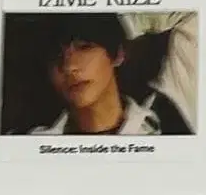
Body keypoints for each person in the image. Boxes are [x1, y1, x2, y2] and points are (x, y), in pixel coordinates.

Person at [28, 12, 196, 135]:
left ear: (118, 54)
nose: (68, 66)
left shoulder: (165, 120)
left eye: (84, 47)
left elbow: (195, 11)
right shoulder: (35, 143)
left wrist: (124, 24)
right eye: (56, 56)